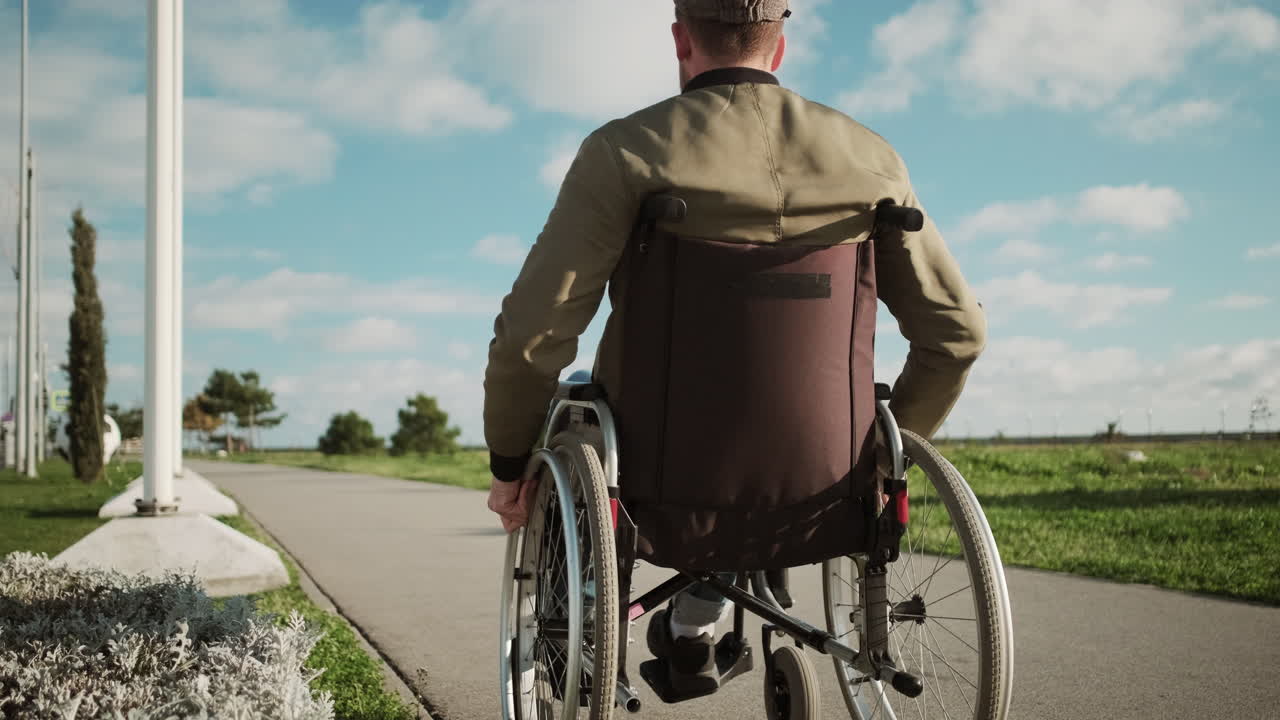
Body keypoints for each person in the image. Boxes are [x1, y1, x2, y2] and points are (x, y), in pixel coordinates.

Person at [484, 0, 986, 695]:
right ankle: (695, 621)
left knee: (583, 403)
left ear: (680, 39)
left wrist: (511, 462)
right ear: (779, 48)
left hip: (657, 486)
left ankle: (630, 626)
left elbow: (534, 335)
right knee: (760, 460)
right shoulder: (872, 161)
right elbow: (956, 333)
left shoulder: (628, 152)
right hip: (826, 484)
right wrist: (880, 457)